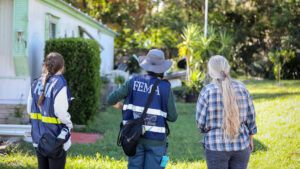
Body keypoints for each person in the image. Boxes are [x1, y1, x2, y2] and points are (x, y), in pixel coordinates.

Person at [107, 49, 178, 169]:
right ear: (162, 68)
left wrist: (124, 107)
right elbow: (173, 117)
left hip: (134, 138)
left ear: (146, 66)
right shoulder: (165, 87)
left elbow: (111, 99)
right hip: (156, 140)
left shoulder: (133, 82)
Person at [196, 55, 257, 169]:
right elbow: (251, 118)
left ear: (211, 71)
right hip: (241, 145)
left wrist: (207, 131)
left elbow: (200, 123)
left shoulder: (207, 91)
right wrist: (250, 138)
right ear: (227, 68)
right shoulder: (242, 88)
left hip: (215, 147)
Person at [27, 52, 73, 169]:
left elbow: (29, 109)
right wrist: (68, 124)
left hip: (38, 138)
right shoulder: (59, 84)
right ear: (62, 67)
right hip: (55, 139)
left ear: (46, 66)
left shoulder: (35, 83)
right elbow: (60, 112)